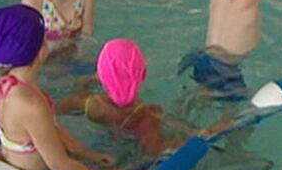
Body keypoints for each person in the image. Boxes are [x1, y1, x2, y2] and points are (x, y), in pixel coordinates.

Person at [0, 4, 121, 170]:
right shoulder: (32, 106)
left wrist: (88, 154)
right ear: (41, 51)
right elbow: (60, 166)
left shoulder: (7, 83)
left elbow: (51, 128)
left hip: (17, 161)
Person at [58, 38, 227, 155]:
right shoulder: (146, 115)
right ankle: (202, 129)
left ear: (100, 75)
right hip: (131, 146)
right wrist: (193, 140)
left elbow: (57, 111)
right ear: (143, 74)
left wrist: (86, 81)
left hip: (99, 143)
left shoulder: (87, 102)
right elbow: (154, 149)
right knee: (177, 118)